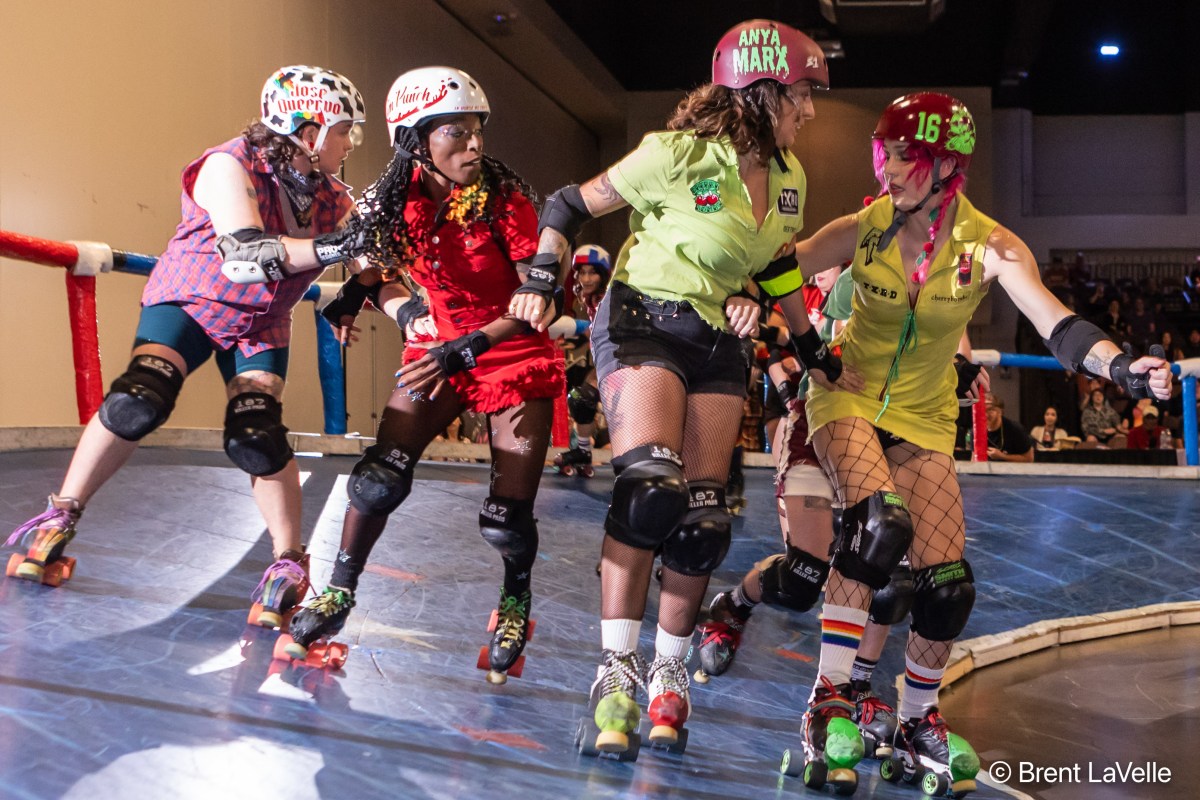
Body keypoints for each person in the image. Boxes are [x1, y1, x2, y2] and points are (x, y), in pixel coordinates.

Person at [784, 92, 1171, 794]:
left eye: (908, 157)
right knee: (879, 529)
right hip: (845, 396)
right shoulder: (862, 227)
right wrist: (774, 316)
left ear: (946, 167)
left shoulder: (990, 244)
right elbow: (784, 264)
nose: (891, 170)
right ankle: (827, 702)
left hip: (926, 416)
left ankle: (915, 719)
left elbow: (1059, 326)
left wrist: (1120, 366)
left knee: (949, 585)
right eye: (886, 154)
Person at [510, 19, 851, 758]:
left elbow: (777, 267)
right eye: (801, 94)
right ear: (759, 91)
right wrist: (541, 276)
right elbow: (570, 203)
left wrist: (808, 342)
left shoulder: (790, 177)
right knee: (652, 491)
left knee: (702, 522)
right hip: (643, 322)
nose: (810, 110)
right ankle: (615, 669)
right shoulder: (676, 154)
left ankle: (669, 670)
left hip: (721, 344)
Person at [6, 66, 366, 624]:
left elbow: (376, 269)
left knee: (256, 437)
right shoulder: (229, 164)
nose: (350, 143)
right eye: (344, 130)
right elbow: (247, 257)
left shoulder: (333, 196)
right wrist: (339, 244)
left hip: (261, 322)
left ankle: (289, 562)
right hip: (191, 300)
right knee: (138, 399)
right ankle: (59, 514)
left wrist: (412, 312)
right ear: (309, 129)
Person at [286, 67, 564, 685]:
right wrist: (364, 301)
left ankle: (515, 601)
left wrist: (467, 346)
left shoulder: (505, 202)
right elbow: (375, 263)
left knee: (505, 518)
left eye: (476, 133)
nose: (474, 147)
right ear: (414, 141)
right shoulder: (394, 197)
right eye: (456, 135)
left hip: (511, 350)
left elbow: (540, 303)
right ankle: (337, 591)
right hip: (440, 348)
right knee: (378, 479)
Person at [551, 244, 611, 477]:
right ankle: (583, 451)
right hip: (599, 361)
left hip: (624, 360)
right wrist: (584, 327)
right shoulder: (581, 298)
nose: (586, 278)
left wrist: (587, 328)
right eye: (582, 272)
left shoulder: (609, 296)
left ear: (603, 275)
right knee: (580, 399)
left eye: (592, 272)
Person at [982, 394, 1034, 462]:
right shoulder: (976, 430)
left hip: (1011, 471)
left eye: (990, 410)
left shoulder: (1015, 429)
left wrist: (1002, 456)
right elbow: (973, 459)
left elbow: (1029, 459)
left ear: (1000, 412)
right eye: (982, 409)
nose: (985, 414)